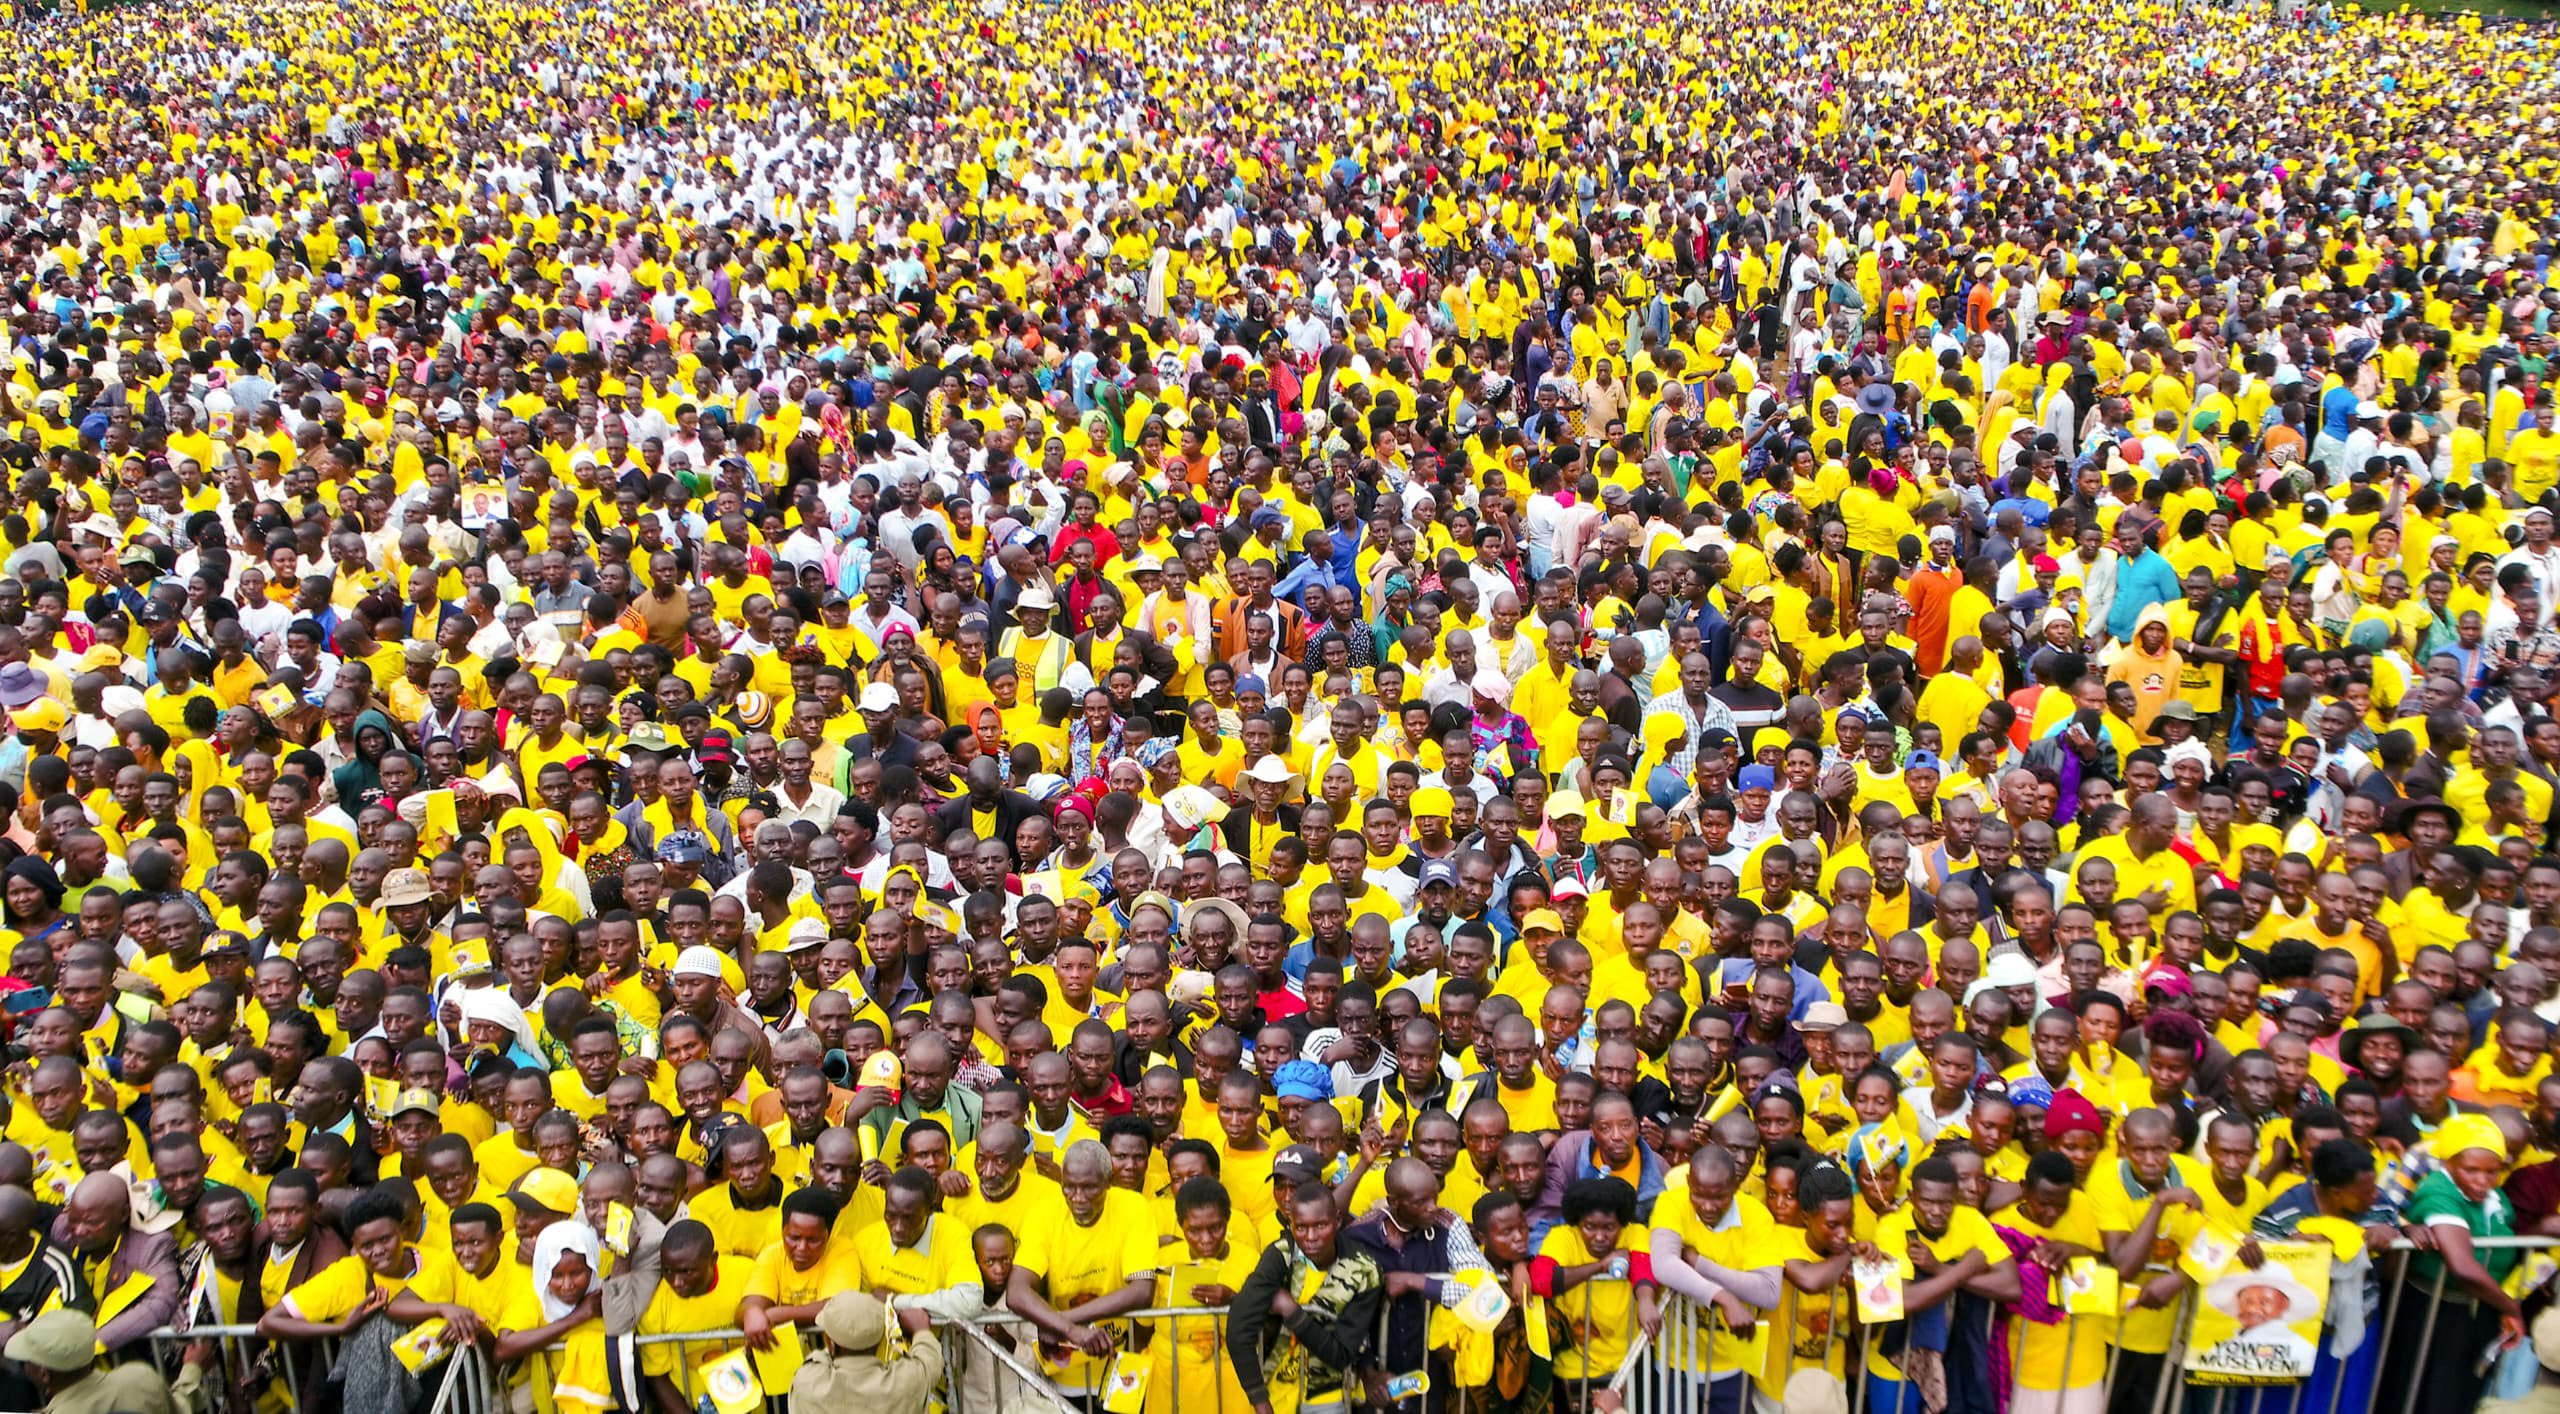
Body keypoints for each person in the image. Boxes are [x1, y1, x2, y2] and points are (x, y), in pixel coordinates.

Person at [789, 1291, 944, 1414]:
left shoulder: (807, 1381)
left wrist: (838, 1335)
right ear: (880, 1340)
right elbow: (929, 1358)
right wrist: (920, 1330)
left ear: (831, 1343)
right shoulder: (908, 1380)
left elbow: (819, 1357)